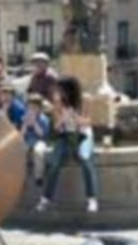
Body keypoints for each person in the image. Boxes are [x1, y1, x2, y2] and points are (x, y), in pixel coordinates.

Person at [37, 76, 99, 213]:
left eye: (60, 90)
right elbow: (57, 128)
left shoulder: (85, 100)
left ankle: (92, 198)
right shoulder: (57, 104)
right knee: (54, 162)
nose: (57, 93)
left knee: (85, 159)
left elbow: (87, 122)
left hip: (83, 134)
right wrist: (63, 118)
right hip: (65, 135)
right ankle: (46, 198)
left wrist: (75, 117)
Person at [22, 94, 52, 186]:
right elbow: (21, 134)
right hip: (27, 140)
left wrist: (34, 122)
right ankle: (22, 177)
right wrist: (25, 124)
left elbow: (41, 134)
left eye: (34, 107)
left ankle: (38, 177)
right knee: (21, 151)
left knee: (38, 151)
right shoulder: (25, 117)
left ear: (40, 108)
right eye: (30, 107)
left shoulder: (44, 119)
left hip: (40, 141)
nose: (32, 109)